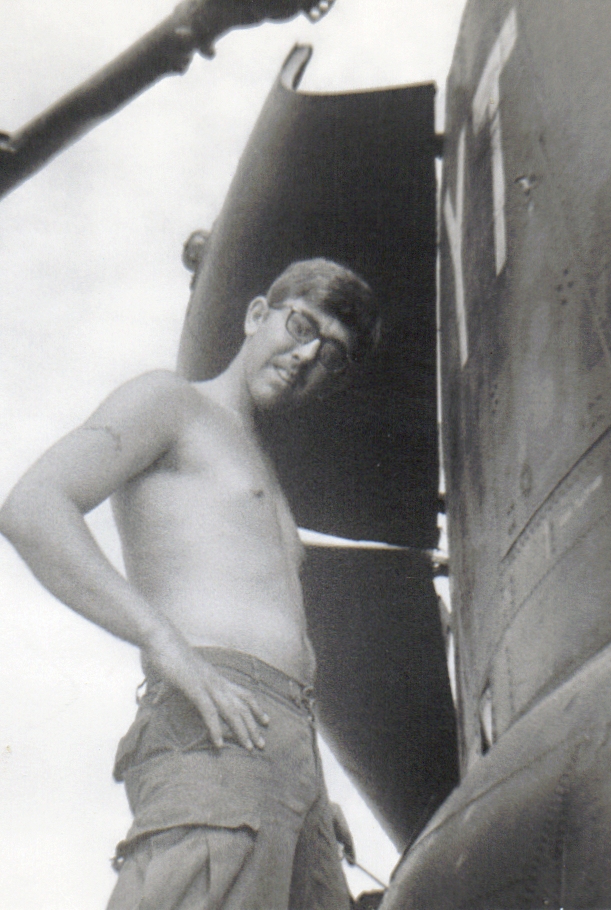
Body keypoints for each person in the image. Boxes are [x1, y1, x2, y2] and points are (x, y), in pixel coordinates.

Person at [0, 258, 380, 910]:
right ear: (257, 315)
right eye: (301, 326)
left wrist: (311, 781)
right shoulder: (172, 404)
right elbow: (33, 506)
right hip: (214, 726)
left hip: (290, 757)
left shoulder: (261, 465)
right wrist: (162, 641)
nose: (306, 356)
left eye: (331, 355)